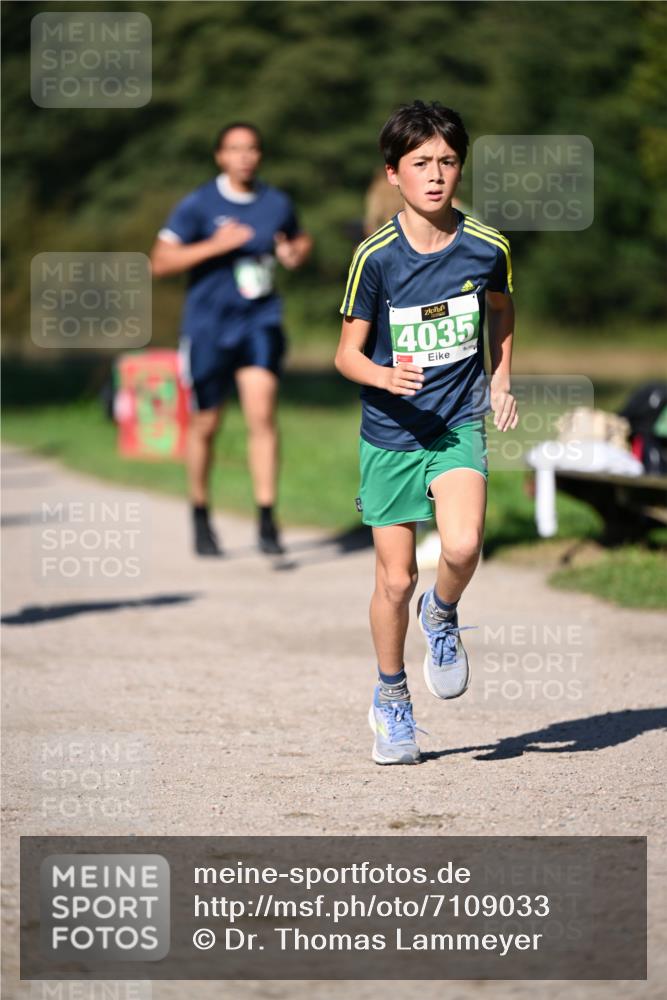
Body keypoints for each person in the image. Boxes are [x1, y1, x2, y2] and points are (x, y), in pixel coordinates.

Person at [335, 101, 518, 765]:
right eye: (420, 164)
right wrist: (383, 377)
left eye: (446, 161)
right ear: (393, 173)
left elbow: (500, 311)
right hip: (389, 432)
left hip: (456, 423)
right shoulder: (375, 257)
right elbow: (345, 355)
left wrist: (499, 380)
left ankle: (441, 615)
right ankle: (391, 700)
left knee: (463, 545)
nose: (435, 175)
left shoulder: (486, 246)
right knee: (393, 581)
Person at [150, 122, 312, 556]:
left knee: (262, 414)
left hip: (259, 320)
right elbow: (160, 262)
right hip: (208, 328)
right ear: (220, 156)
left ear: (260, 155)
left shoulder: (276, 202)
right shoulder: (198, 204)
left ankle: (266, 519)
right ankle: (201, 514)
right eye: (234, 149)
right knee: (206, 424)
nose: (244, 156)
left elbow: (298, 239)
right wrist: (214, 245)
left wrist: (293, 253)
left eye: (252, 148)